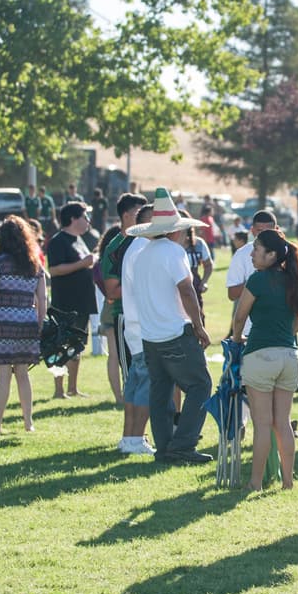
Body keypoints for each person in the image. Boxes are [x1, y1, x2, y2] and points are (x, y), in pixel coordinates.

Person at [124, 189, 213, 465]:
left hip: (150, 336)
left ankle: (164, 448)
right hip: (175, 331)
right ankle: (183, 445)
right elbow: (186, 290)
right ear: (174, 231)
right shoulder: (174, 252)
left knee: (160, 393)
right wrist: (198, 326)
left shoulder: (141, 254)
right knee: (200, 385)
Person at [231, 229, 298, 490]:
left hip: (260, 355)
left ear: (271, 255)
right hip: (289, 356)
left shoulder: (257, 280)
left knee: (262, 424)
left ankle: (255, 483)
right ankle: (288, 481)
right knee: (283, 422)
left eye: (257, 249)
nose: (252, 254)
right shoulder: (294, 280)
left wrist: (238, 338)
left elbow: (240, 316)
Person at [0, 216, 47, 434]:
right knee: (23, 373)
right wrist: (40, 323)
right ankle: (28, 422)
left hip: (2, 320)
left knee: (3, 375)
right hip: (27, 322)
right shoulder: (35, 263)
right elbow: (42, 298)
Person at [99, 192, 150, 451]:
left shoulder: (141, 242)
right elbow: (112, 290)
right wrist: (146, 288)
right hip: (124, 317)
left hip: (144, 318)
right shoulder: (117, 246)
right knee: (135, 376)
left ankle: (134, 436)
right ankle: (131, 438)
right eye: (142, 213)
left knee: (141, 377)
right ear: (129, 215)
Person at [114, 202, 158, 455]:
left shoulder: (134, 246)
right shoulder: (144, 248)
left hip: (133, 324)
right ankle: (136, 438)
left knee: (134, 382)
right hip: (144, 325)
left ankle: (129, 437)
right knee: (146, 384)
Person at [46, 202, 97, 398]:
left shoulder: (79, 240)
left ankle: (73, 388)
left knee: (77, 344)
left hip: (82, 301)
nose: (88, 221)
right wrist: (83, 264)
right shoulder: (58, 241)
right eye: (85, 217)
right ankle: (59, 390)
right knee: (61, 345)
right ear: (73, 219)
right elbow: (54, 270)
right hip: (65, 303)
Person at [181, 220, 213, 323]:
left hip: (194, 286)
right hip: (175, 287)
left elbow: (208, 265)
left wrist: (204, 282)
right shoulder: (169, 245)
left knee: (198, 317)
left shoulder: (199, 243)